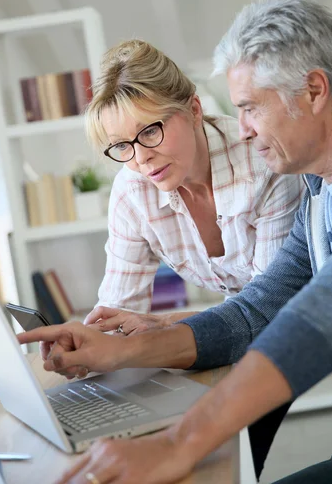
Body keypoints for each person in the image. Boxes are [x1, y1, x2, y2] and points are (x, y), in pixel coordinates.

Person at [18, 0, 332, 484]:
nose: (243, 128)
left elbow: (324, 309)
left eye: (249, 107)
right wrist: (116, 346)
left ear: (314, 91)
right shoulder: (319, 192)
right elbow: (257, 310)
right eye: (122, 145)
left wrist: (178, 442)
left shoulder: (294, 175)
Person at [79, 39, 303, 478]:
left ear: (194, 109)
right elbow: (118, 308)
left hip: (290, 331)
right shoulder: (131, 191)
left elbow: (268, 311)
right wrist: (92, 342)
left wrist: (166, 328)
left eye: (150, 130)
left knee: (222, 455)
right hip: (235, 326)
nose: (141, 158)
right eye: (121, 145)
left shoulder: (264, 164)